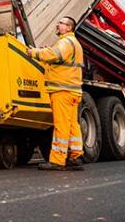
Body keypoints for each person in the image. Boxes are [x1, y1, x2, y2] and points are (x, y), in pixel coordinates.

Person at [25, 16, 84, 171]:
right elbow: (59, 59)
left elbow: (54, 55)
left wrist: (34, 52)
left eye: (61, 23)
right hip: (72, 90)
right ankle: (75, 156)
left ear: (69, 28)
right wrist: (47, 51)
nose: (57, 25)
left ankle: (57, 160)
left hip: (62, 91)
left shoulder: (65, 42)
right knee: (72, 125)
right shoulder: (75, 43)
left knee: (61, 126)